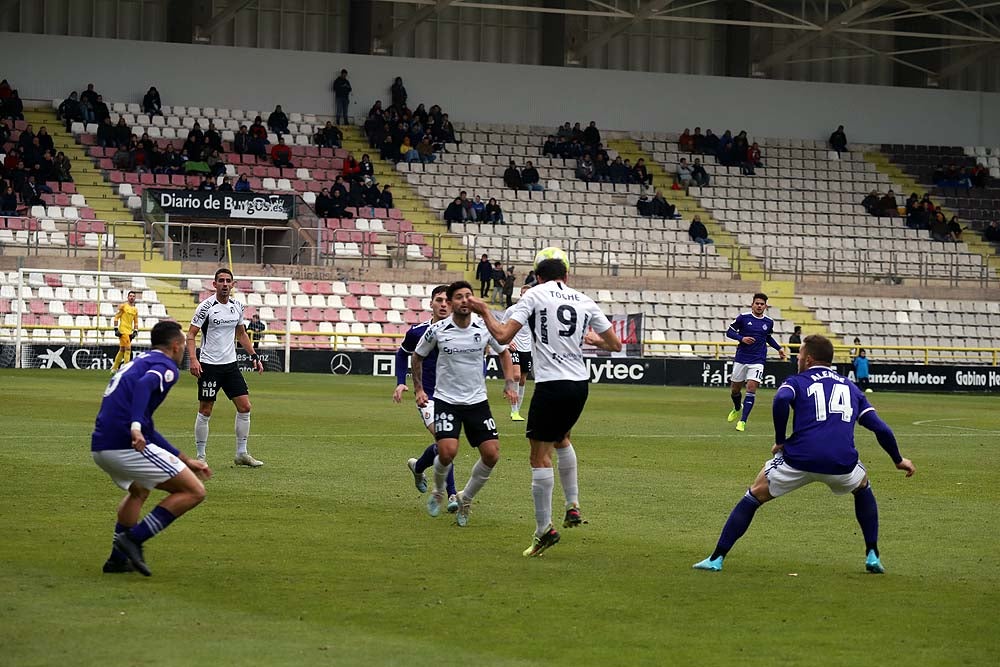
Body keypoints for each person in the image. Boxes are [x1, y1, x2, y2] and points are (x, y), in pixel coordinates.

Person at [692, 335, 915, 574]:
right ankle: (872, 554)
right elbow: (880, 427)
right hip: (842, 464)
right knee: (862, 486)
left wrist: (780, 441)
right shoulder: (851, 387)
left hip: (799, 459)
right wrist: (898, 459)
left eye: (799, 356)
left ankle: (717, 558)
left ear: (808, 359)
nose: (797, 360)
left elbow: (781, 399)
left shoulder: (797, 381)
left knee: (754, 494)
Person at [469, 256, 622, 556]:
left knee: (539, 458)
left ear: (538, 277)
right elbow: (615, 345)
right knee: (562, 438)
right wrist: (590, 338)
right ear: (567, 275)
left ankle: (543, 531)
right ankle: (573, 504)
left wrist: (485, 310)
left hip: (552, 385)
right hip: (579, 385)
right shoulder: (583, 299)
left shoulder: (535, 295)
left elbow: (501, 336)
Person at [91, 321, 212, 576]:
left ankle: (117, 560)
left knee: (139, 490)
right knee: (194, 491)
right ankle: (133, 539)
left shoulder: (140, 360)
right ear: (177, 346)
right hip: (125, 443)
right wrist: (135, 427)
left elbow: (148, 426)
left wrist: (186, 459)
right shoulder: (165, 366)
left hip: (102, 445)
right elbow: (146, 386)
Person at [411, 281, 517, 526]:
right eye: (458, 296)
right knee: (447, 453)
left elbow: (504, 352)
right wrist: (418, 388)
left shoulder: (484, 327)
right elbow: (417, 356)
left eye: (468, 296)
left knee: (492, 455)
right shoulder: (438, 330)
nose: (464, 300)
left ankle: (465, 498)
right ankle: (439, 491)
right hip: (446, 401)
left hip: (477, 402)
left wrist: (509, 383)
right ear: (450, 302)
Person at [186, 268, 265, 467]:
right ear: (214, 284)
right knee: (205, 410)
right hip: (209, 366)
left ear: (232, 284)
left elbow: (241, 334)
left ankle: (241, 453)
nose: (224, 284)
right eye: (220, 280)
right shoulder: (206, 307)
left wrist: (253, 355)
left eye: (228, 281)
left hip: (230, 365)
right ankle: (201, 456)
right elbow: (191, 335)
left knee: (245, 407)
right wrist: (194, 360)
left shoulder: (237, 306)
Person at [394, 285, 458, 510]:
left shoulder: (463, 331)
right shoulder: (417, 332)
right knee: (445, 441)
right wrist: (401, 382)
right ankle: (451, 495)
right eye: (439, 300)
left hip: (455, 397)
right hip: (428, 397)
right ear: (431, 303)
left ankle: (418, 467)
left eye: (447, 301)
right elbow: (402, 354)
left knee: (445, 447)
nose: (443, 304)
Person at [725, 293, 786, 432]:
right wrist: (741, 338)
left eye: (762, 304)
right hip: (741, 358)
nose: (759, 306)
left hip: (758, 359)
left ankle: (742, 421)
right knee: (735, 390)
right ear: (752, 304)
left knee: (751, 388)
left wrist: (779, 349)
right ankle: (737, 407)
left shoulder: (769, 322)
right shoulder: (743, 318)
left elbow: (768, 337)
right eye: (757, 303)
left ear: (765, 306)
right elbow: (729, 332)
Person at [504, 284, 534, 422]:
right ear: (521, 295)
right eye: (523, 294)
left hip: (527, 348)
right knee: (516, 376)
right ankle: (514, 411)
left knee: (522, 380)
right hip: (514, 346)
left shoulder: (534, 312)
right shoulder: (512, 310)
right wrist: (508, 342)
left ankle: (518, 410)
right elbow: (503, 326)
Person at [111, 290, 139, 374]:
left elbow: (136, 321)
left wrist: (135, 331)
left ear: (135, 298)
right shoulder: (123, 306)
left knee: (122, 349)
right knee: (128, 348)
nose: (132, 297)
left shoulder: (135, 309)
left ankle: (114, 368)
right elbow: (116, 317)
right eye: (130, 296)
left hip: (129, 331)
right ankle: (126, 370)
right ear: (127, 297)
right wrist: (116, 329)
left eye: (133, 296)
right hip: (123, 331)